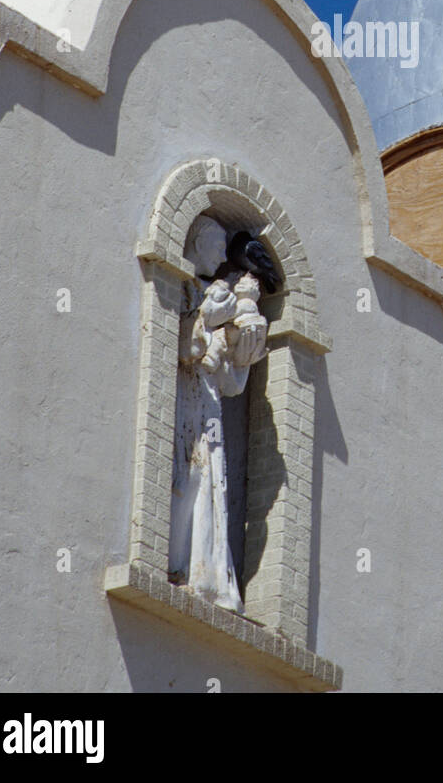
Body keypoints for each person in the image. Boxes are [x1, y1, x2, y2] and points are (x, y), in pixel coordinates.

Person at [168, 216, 268, 610]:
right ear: (196, 242)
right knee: (185, 475)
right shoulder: (187, 291)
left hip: (208, 403)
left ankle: (204, 575)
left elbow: (234, 380)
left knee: (210, 482)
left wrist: (247, 306)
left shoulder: (215, 296)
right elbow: (185, 345)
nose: (224, 256)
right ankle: (174, 563)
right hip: (183, 398)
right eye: (217, 246)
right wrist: (220, 308)